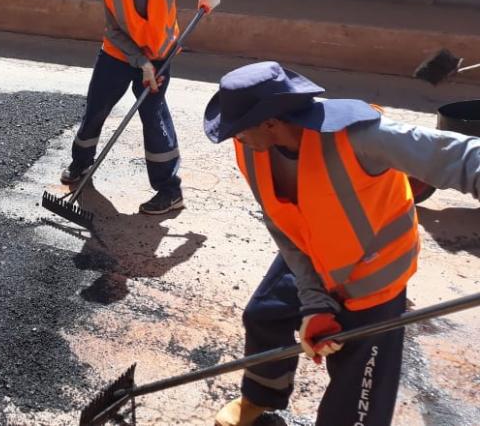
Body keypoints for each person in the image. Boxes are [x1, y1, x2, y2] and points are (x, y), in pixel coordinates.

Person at [203, 61, 480, 426]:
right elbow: (280, 226)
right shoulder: (252, 151)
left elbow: (463, 155)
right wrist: (314, 303)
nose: (235, 139)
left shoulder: (361, 136)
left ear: (270, 123)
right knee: (265, 314)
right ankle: (261, 397)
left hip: (374, 273)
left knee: (357, 375)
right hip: (310, 249)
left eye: (239, 131)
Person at [62, 0, 221, 215]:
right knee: (96, 108)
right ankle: (81, 163)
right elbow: (114, 32)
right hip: (118, 56)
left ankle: (169, 191)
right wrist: (141, 63)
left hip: (159, 55)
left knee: (153, 115)